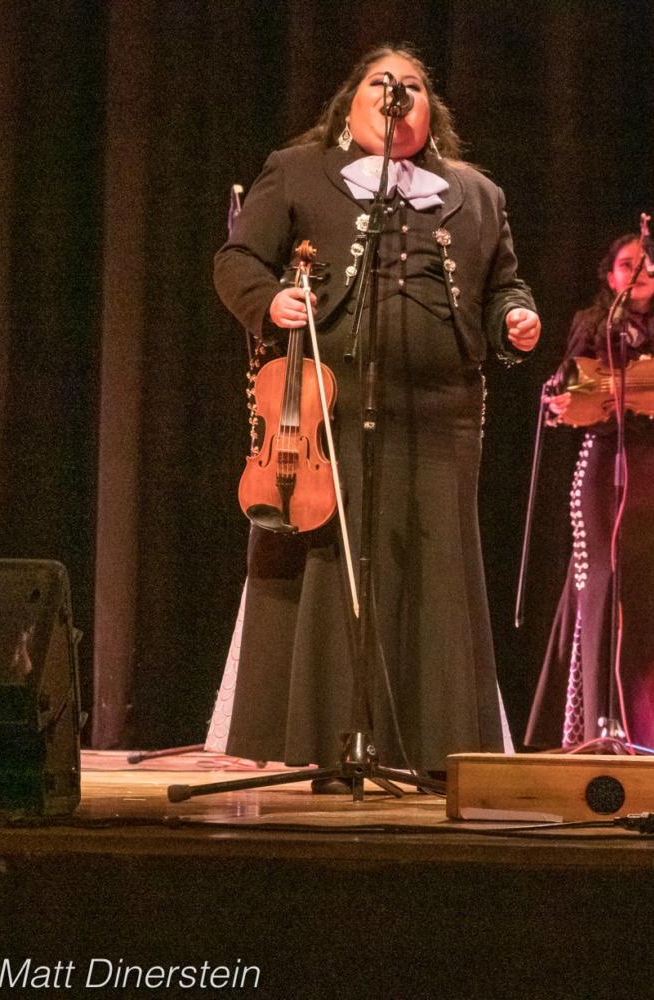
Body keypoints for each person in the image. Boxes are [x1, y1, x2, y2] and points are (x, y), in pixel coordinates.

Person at [211, 45, 541, 776]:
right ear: (349, 103)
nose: (397, 94)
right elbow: (237, 260)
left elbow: (501, 289)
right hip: (329, 412)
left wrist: (515, 320)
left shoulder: (477, 194)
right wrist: (270, 301)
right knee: (330, 564)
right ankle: (321, 740)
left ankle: (429, 749)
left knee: (435, 572)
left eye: (414, 86)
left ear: (432, 112)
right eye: (380, 84)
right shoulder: (298, 171)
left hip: (442, 415)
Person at [525, 232, 654, 753]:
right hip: (600, 470)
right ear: (611, 277)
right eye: (628, 266)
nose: (640, 274)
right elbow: (566, 385)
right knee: (601, 583)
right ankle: (593, 726)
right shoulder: (592, 325)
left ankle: (652, 733)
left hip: (653, 475)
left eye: (649, 267)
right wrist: (560, 404)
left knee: (648, 594)